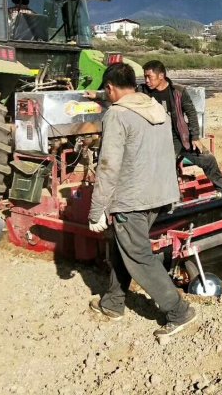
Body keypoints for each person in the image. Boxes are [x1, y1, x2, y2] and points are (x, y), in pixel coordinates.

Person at [87, 63, 197, 337]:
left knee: (138, 255)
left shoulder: (117, 115)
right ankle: (113, 302)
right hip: (160, 193)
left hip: (131, 199)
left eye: (106, 91)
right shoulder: (156, 108)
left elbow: (108, 166)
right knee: (121, 248)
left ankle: (178, 311)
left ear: (110, 88)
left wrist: (96, 210)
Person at [140, 60, 222, 190]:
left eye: (149, 77)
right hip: (159, 140)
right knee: (167, 168)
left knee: (208, 159)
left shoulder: (178, 91)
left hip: (182, 137)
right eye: (145, 77)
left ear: (161, 76)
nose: (147, 80)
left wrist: (195, 137)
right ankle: (174, 202)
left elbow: (191, 113)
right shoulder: (142, 91)